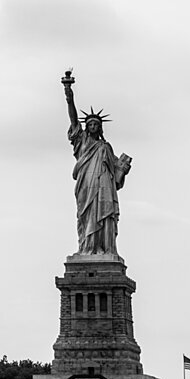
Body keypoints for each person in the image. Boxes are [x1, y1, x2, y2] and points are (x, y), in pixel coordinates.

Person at [61, 70, 131, 255]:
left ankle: (103, 248)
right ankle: (87, 247)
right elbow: (73, 118)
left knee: (104, 215)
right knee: (86, 216)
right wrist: (69, 93)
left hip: (104, 187)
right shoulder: (81, 141)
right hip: (86, 185)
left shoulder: (105, 147)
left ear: (100, 128)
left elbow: (116, 177)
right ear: (86, 127)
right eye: (90, 124)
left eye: (96, 125)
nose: (93, 126)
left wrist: (123, 169)